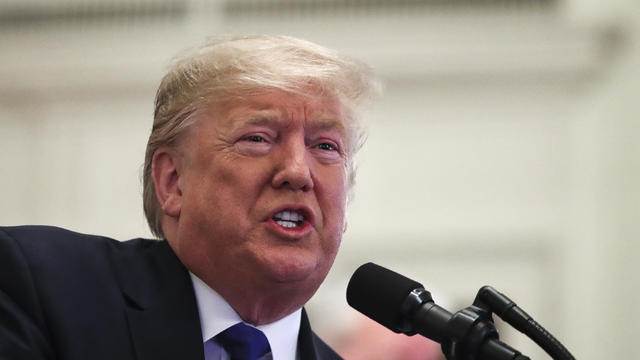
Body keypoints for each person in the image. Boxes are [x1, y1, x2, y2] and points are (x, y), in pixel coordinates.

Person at [0, 35, 378, 360]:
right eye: (258, 139)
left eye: (326, 146)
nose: (297, 171)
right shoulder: (40, 287)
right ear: (173, 181)